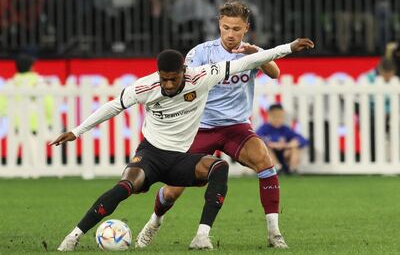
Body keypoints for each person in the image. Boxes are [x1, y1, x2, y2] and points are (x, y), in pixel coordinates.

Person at [52, 38, 314, 251]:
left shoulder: (201, 77)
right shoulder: (145, 86)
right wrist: (77, 131)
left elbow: (247, 61)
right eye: (163, 78)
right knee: (126, 185)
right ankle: (73, 237)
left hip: (182, 158)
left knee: (219, 167)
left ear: (183, 73)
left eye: (172, 79)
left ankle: (201, 236)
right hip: (151, 154)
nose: (167, 84)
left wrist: (288, 48)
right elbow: (112, 107)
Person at [135, 1, 303, 249]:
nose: (231, 34)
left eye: (236, 28)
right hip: (200, 127)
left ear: (246, 27)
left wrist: (255, 55)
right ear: (219, 26)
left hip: (236, 126)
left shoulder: (252, 51)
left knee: (265, 163)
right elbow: (183, 84)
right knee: (173, 191)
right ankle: (154, 222)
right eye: (226, 28)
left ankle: (274, 233)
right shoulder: (201, 53)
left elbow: (275, 72)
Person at [0, 54, 53, 169]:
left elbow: (2, 105)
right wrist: (50, 119)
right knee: (35, 151)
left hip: (16, 124)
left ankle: (12, 170)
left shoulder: (10, 83)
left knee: (13, 151)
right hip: (35, 123)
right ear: (31, 67)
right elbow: (48, 103)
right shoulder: (38, 82)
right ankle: (36, 172)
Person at [256, 104, 308, 175]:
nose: (277, 119)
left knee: (295, 147)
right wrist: (271, 144)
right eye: (274, 116)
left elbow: (303, 140)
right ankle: (276, 168)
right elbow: (257, 139)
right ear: (269, 116)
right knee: (266, 149)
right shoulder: (264, 129)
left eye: (280, 117)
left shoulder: (285, 129)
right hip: (270, 158)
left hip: (284, 156)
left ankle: (293, 169)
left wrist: (289, 144)